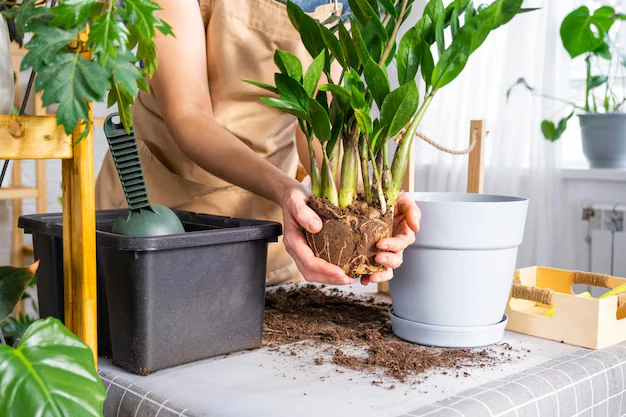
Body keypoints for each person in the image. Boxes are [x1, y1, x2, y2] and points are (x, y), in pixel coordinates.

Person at [95, 0, 421, 287]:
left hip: (270, 233)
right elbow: (188, 115)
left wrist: (368, 204)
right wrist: (285, 190)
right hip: (161, 225)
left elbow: (319, 125)